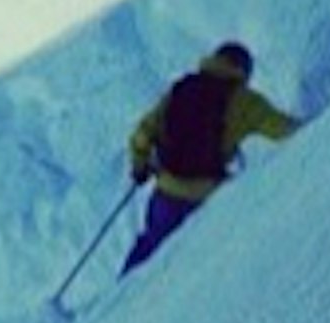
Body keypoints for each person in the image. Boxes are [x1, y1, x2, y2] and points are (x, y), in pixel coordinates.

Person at [122, 41, 300, 275]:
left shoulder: (182, 88)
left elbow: (143, 132)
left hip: (167, 188)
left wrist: (139, 164)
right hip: (206, 196)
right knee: (195, 263)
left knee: (151, 246)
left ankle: (118, 299)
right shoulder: (246, 101)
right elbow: (283, 128)